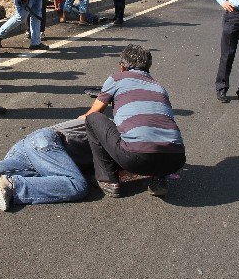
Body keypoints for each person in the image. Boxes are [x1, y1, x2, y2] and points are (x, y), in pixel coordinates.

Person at [80, 44, 186, 198]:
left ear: (122, 67)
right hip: (176, 159)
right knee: (155, 128)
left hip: (136, 158)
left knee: (93, 120)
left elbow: (93, 112)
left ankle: (108, 180)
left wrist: (77, 121)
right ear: (148, 67)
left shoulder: (117, 79)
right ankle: (159, 180)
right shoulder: (159, 87)